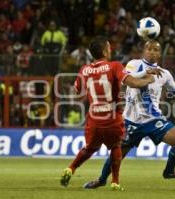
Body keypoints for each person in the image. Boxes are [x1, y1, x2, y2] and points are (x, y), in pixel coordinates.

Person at [83, 40, 175, 189]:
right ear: (144, 51)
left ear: (160, 54)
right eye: (149, 49)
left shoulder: (165, 74)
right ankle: (102, 179)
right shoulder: (133, 64)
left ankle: (169, 171)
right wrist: (146, 73)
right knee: (118, 154)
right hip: (131, 121)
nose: (152, 52)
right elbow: (127, 79)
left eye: (156, 50)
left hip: (153, 120)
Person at [60, 36, 159, 191]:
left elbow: (78, 91)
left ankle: (70, 168)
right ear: (105, 50)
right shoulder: (114, 66)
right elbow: (131, 82)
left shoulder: (84, 69)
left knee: (89, 148)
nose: (111, 49)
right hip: (112, 117)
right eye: (109, 47)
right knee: (116, 146)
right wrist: (147, 80)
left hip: (94, 119)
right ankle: (115, 182)